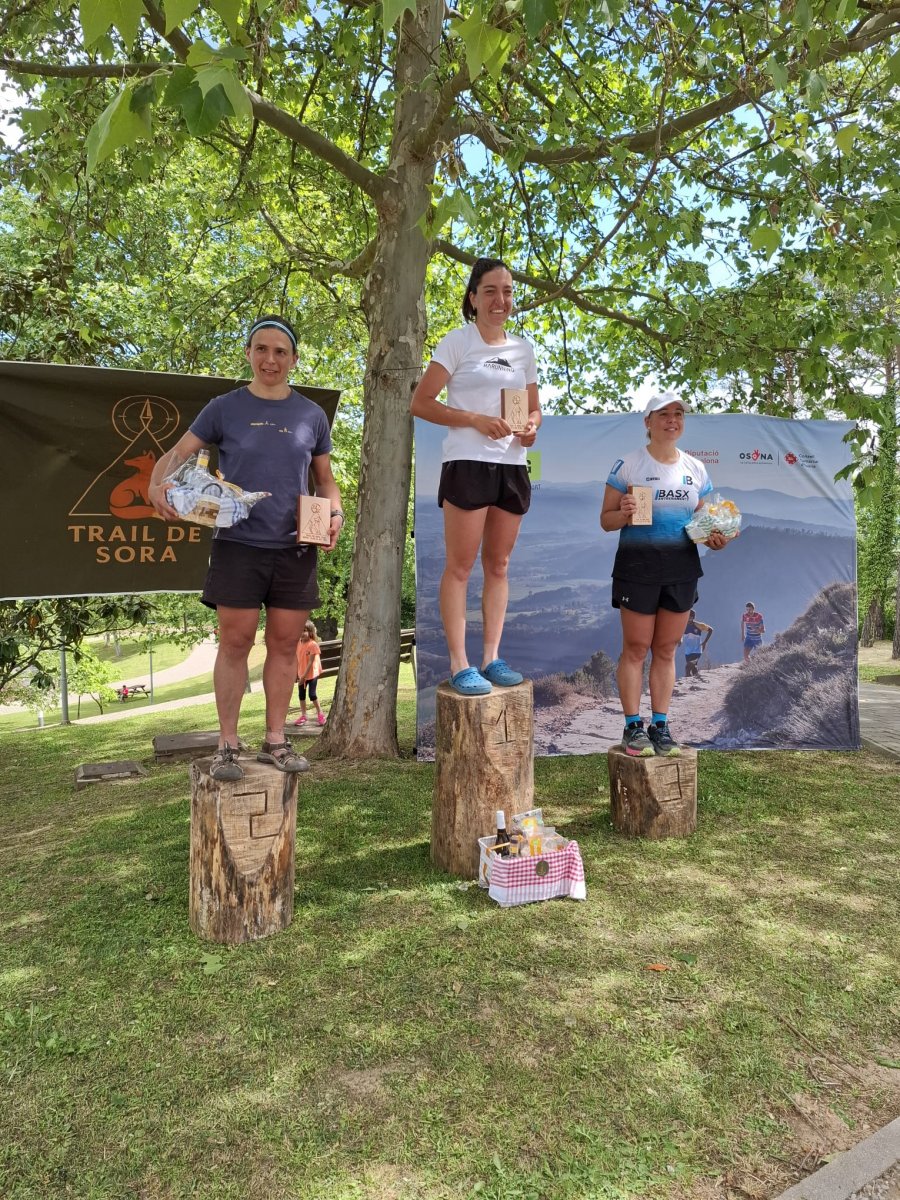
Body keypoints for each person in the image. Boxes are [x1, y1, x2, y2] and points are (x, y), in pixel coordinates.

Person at [148, 314, 343, 782]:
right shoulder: (224, 408)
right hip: (237, 545)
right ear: (249, 353)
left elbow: (325, 481)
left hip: (295, 548)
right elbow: (177, 455)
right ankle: (227, 745)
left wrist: (334, 515)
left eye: (280, 351)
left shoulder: (311, 416)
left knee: (284, 645)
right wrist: (156, 485)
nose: (270, 359)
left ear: (294, 359)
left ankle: (276, 740)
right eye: (261, 349)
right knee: (235, 643)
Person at [410, 257, 541, 696]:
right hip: (467, 463)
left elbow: (534, 409)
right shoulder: (458, 341)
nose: (500, 300)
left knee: (499, 566)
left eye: (507, 291)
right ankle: (460, 663)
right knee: (461, 566)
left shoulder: (523, 350)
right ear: (473, 297)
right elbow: (421, 403)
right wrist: (475, 419)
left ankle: (491, 658)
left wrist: (531, 427)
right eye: (490, 291)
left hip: (512, 467)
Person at [600, 393, 732, 757]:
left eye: (678, 414)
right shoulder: (628, 464)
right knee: (635, 649)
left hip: (681, 570)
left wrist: (717, 539)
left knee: (666, 649)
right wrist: (625, 513)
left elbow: (704, 524)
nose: (672, 420)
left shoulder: (696, 468)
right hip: (637, 569)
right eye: (664, 414)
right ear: (648, 422)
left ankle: (660, 725)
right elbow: (606, 521)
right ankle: (632, 726)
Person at [294, 620, 325, 726]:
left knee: (312, 695)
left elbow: (311, 662)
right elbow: (298, 659)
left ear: (310, 632)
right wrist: (298, 674)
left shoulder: (313, 645)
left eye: (304, 630)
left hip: (312, 674)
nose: (302, 633)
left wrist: (303, 677)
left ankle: (320, 713)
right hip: (301, 674)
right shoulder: (298, 643)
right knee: (301, 695)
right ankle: (304, 715)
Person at [682, 609, 713, 677]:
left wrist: (705, 642)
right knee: (693, 668)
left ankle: (689, 681)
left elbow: (710, 630)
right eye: (687, 617)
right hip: (688, 651)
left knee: (688, 668)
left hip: (697, 650)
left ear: (693, 617)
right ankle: (697, 680)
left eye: (690, 617)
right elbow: (679, 634)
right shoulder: (683, 625)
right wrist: (680, 640)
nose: (689, 619)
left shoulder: (699, 625)